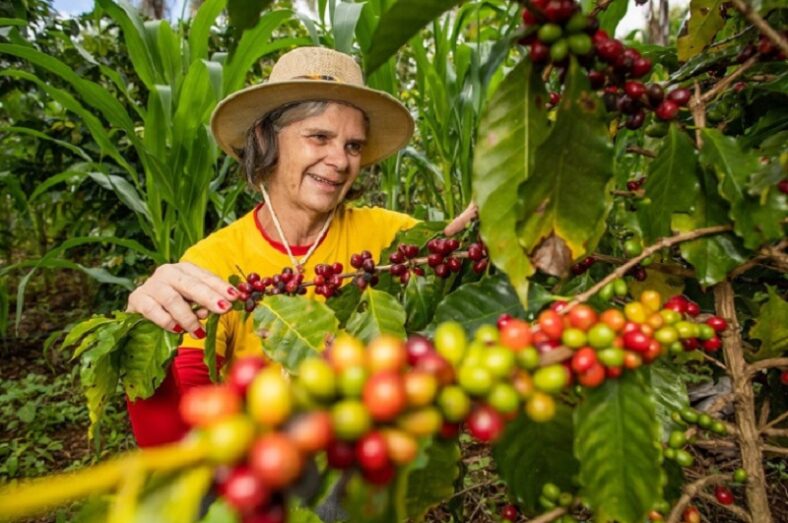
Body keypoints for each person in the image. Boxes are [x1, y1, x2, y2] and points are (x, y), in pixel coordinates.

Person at [124, 47, 473, 447]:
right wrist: (148, 344)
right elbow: (176, 433)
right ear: (266, 137)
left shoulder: (392, 240)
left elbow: (461, 263)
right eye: (319, 137)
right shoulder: (215, 262)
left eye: (353, 146)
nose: (340, 161)